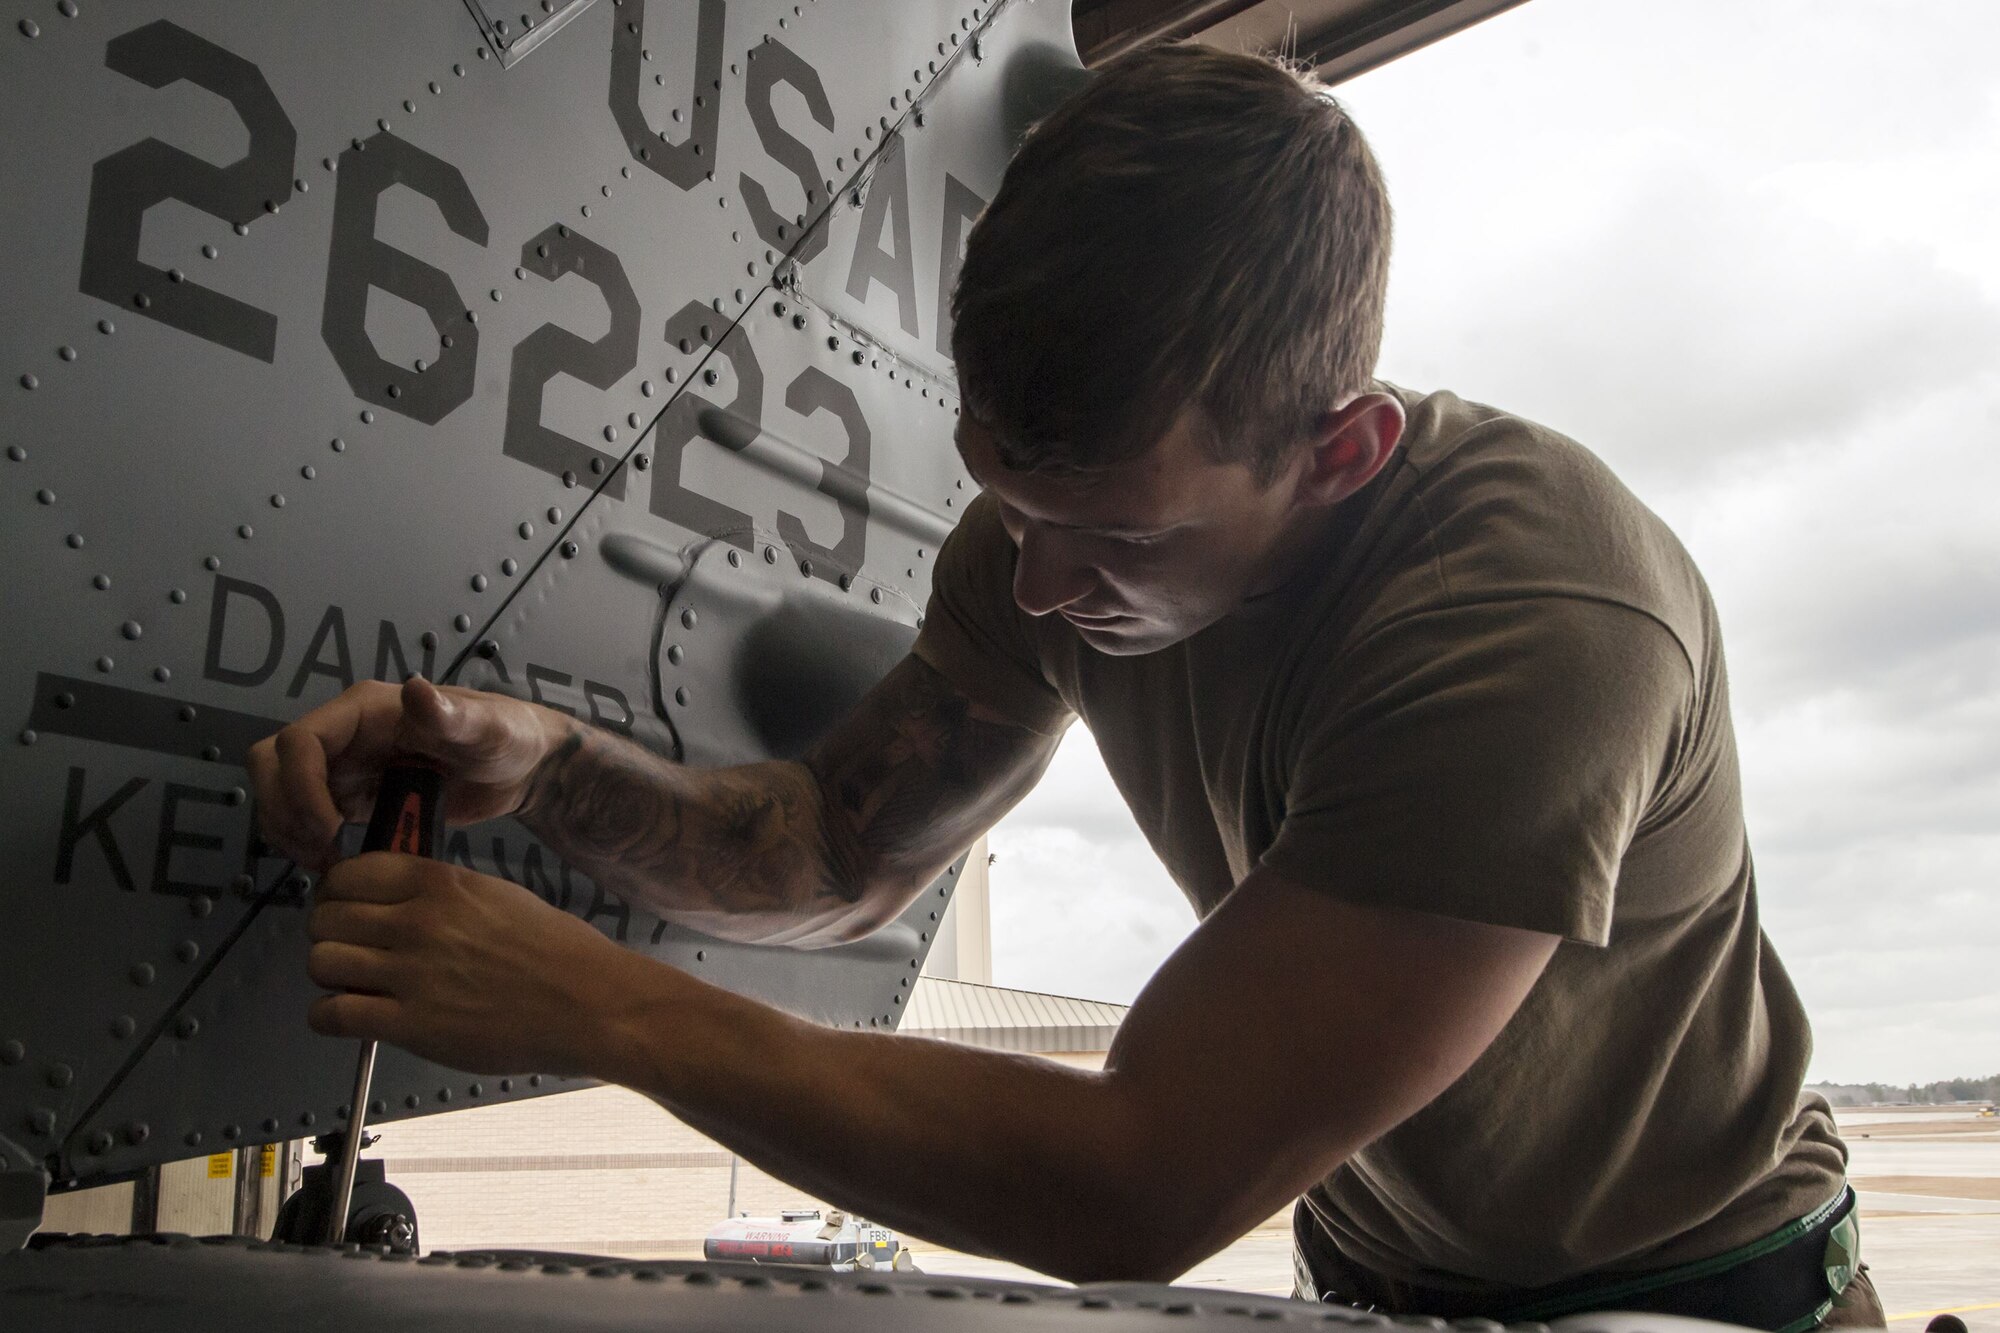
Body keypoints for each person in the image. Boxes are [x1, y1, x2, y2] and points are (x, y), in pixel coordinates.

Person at [248, 44, 1882, 1328]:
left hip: (1689, 1289)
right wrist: (545, 769)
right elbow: (829, 848)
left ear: (1341, 452)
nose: (1034, 588)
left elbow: (1142, 1180)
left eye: (1107, 536)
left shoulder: (1535, 616)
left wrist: (595, 1004)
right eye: (1008, 508)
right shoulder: (1047, 548)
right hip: (1382, 1285)